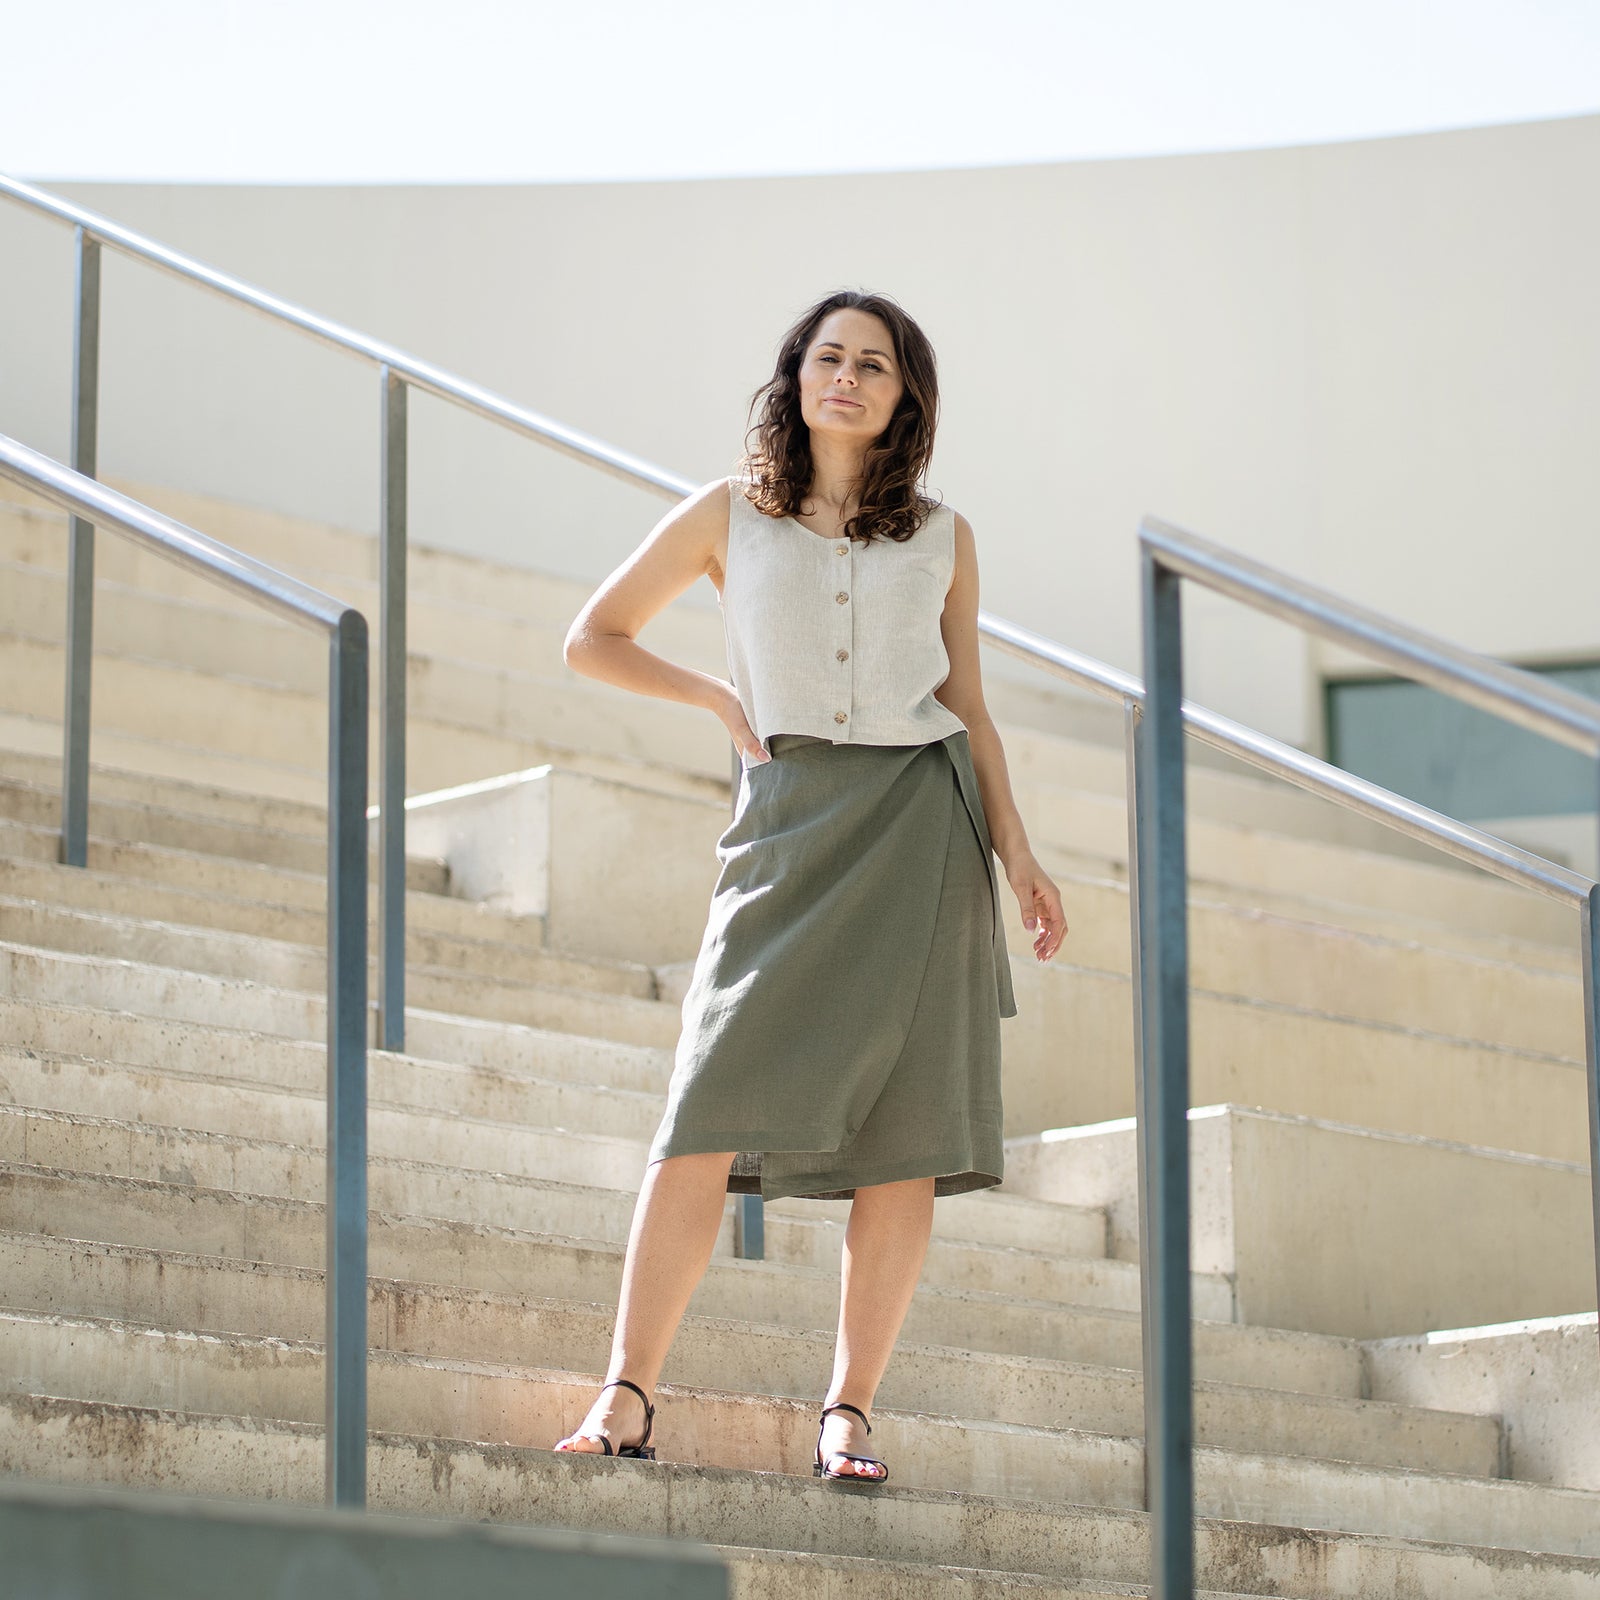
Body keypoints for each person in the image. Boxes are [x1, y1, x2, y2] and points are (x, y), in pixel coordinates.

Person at [554, 289, 1067, 1484]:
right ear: (794, 378)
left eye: (872, 365)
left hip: (923, 830)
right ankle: (626, 1390)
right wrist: (717, 701)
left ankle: (848, 1413)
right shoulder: (729, 514)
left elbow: (972, 708)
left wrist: (1018, 853)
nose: (846, 377)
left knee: (905, 1134)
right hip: (788, 825)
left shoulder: (943, 536)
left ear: (904, 397)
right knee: (702, 1109)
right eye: (826, 358)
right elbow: (594, 635)